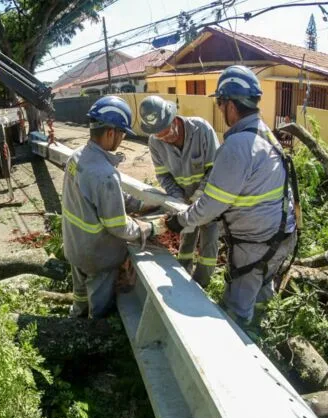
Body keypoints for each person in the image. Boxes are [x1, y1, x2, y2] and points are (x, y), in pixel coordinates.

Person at [164, 66, 298, 323]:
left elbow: (210, 205)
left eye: (220, 103)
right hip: (281, 237)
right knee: (261, 291)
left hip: (255, 244)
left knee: (235, 310)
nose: (220, 109)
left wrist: (179, 221)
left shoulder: (237, 146)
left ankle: (244, 346)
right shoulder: (265, 133)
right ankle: (262, 336)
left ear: (230, 105)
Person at [62, 95, 158, 319]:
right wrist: (147, 229)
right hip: (97, 254)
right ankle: (93, 337)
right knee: (100, 308)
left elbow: (101, 195)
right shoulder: (105, 174)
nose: (122, 139)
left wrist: (140, 204)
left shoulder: (77, 157)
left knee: (80, 295)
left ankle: (75, 318)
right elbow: (119, 227)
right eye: (122, 133)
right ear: (111, 132)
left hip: (75, 245)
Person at [139, 95, 220, 287]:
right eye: (160, 136)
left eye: (167, 133)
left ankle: (202, 285)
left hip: (208, 198)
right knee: (186, 240)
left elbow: (215, 170)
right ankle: (183, 279)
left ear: (174, 119)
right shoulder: (155, 142)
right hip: (182, 202)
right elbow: (164, 176)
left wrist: (198, 196)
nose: (166, 139)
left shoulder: (201, 130)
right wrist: (177, 199)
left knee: (209, 244)